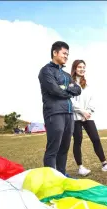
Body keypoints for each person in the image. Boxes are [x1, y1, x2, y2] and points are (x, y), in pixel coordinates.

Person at [38, 41, 81, 175]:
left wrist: (65, 88)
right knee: (53, 148)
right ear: (55, 53)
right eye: (64, 53)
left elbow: (78, 89)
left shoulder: (67, 75)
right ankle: (50, 178)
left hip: (69, 113)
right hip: (54, 113)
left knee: (64, 147)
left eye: (67, 54)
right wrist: (68, 90)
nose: (66, 56)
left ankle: (62, 175)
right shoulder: (46, 71)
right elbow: (54, 90)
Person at [70, 59, 107, 176]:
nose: (82, 69)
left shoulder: (87, 84)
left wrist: (88, 112)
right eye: (79, 67)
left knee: (96, 139)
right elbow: (70, 101)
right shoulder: (70, 83)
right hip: (76, 117)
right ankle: (80, 167)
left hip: (88, 116)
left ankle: (105, 164)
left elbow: (92, 100)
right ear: (75, 68)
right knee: (78, 141)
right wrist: (82, 112)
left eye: (83, 67)